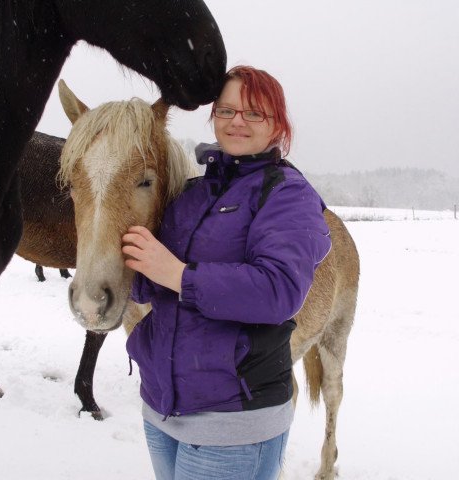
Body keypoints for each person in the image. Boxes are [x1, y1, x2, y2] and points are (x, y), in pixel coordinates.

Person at [122, 65, 332, 480]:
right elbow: (152, 289)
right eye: (227, 110)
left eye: (255, 113)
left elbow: (278, 291)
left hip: (235, 424)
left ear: (277, 125)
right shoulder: (192, 194)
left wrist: (180, 274)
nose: (238, 121)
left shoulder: (287, 193)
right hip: (162, 410)